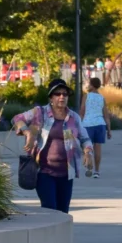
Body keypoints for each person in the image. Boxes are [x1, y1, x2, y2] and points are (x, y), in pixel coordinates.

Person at [11, 79, 94, 213]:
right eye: (57, 94)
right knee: (50, 210)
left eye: (65, 94)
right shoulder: (40, 113)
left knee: (63, 212)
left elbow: (85, 138)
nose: (61, 97)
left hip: (67, 173)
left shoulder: (73, 117)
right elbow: (17, 119)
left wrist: (88, 151)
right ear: (51, 97)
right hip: (44, 171)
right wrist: (28, 133)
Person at [79, 77, 111, 179]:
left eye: (89, 84)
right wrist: (109, 130)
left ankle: (89, 167)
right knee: (98, 149)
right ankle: (96, 171)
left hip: (88, 125)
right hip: (100, 125)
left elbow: (82, 111)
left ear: (92, 85)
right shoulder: (102, 98)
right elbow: (106, 115)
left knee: (88, 148)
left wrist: (79, 125)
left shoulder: (86, 96)